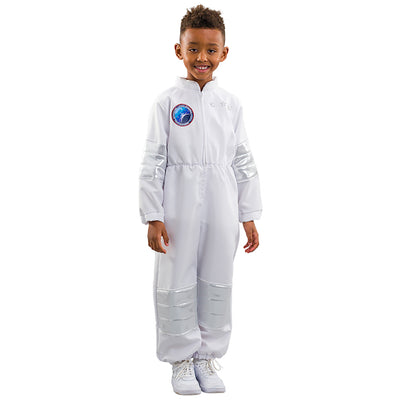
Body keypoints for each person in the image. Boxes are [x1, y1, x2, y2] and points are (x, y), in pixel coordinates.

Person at [138, 4, 262, 395]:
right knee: (176, 278)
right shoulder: (166, 102)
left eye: (211, 49)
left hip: (222, 204)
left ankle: (206, 357)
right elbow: (153, 160)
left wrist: (248, 214)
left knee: (216, 277)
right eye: (193, 48)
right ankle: (180, 360)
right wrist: (153, 214)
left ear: (224, 53)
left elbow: (242, 159)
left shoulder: (231, 104)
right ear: (179, 50)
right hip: (178, 204)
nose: (202, 57)